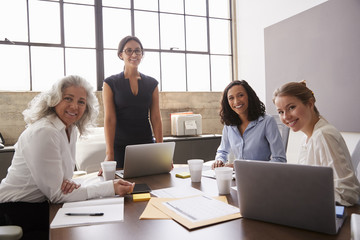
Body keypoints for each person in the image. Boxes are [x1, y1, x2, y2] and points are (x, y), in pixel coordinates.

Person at [0, 75, 134, 239]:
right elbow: (57, 194)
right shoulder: (45, 132)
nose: (74, 107)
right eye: (68, 99)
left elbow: (63, 184)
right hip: (16, 211)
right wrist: (110, 187)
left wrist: (65, 183)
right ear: (55, 100)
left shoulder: (70, 129)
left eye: (81, 102)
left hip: (43, 204)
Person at [273, 81, 360, 206]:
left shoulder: (323, 136)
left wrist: (306, 195)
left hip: (330, 211)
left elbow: (347, 192)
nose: (286, 116)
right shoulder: (307, 136)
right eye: (280, 112)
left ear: (310, 103)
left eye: (291, 107)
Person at [101, 35, 163, 169]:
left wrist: (162, 152)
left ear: (142, 54)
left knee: (153, 185)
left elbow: (156, 118)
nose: (134, 54)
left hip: (146, 146)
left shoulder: (152, 83)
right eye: (128, 50)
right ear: (120, 55)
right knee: (122, 188)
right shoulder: (110, 83)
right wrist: (109, 154)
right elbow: (110, 119)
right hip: (120, 147)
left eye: (138, 51)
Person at [212, 80, 286, 169]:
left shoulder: (267, 122)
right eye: (231, 98)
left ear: (249, 96)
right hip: (237, 176)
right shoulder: (229, 125)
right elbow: (222, 151)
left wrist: (240, 167)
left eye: (241, 95)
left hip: (261, 177)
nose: (236, 101)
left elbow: (280, 160)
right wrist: (219, 160)